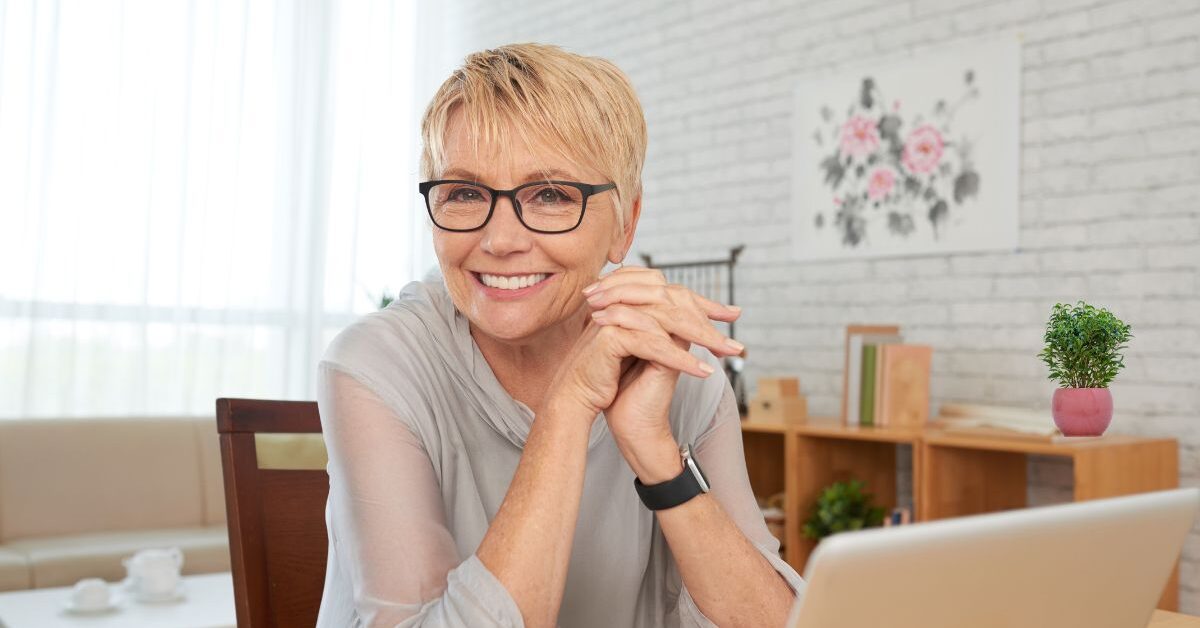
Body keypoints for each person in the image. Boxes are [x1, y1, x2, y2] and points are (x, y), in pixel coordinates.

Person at [315, 42, 805, 628]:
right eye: (465, 193)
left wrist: (657, 455)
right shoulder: (376, 367)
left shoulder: (679, 373)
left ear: (625, 224)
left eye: (549, 195)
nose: (499, 240)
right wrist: (569, 406)